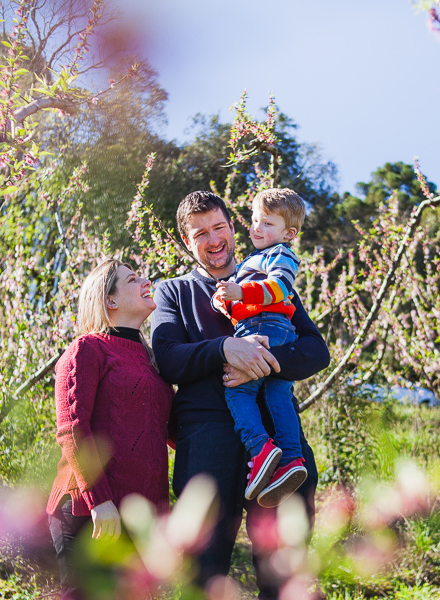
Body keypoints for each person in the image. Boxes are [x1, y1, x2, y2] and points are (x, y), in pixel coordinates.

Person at [151, 191, 329, 598]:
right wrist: (224, 349)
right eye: (200, 234)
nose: (214, 240)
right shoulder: (174, 292)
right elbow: (167, 358)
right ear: (186, 242)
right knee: (204, 565)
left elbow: (316, 350)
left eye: (219, 228)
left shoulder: (271, 282)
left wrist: (268, 356)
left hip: (279, 439)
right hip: (207, 437)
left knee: (285, 564)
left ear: (233, 228)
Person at [47, 259, 173, 600]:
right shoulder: (87, 349)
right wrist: (99, 500)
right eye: (133, 279)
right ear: (110, 301)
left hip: (138, 516)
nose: (146, 281)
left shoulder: (151, 360)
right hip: (90, 510)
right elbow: (72, 429)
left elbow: (165, 433)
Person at [211, 188, 309, 507]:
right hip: (274, 329)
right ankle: (292, 459)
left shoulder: (278, 254)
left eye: (266, 223)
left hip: (263, 327)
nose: (256, 228)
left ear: (288, 233)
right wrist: (226, 302)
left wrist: (240, 291)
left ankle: (260, 449)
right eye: (254, 220)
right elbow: (242, 301)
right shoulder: (254, 259)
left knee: (238, 392)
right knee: (278, 394)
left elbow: (280, 287)